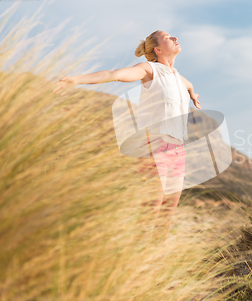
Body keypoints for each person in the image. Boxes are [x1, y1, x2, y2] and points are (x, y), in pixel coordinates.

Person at [52, 30, 201, 243]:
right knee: (151, 207)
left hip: (178, 150)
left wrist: (193, 96)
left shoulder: (180, 77)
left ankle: (156, 259)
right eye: (168, 37)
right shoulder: (149, 70)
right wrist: (76, 80)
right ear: (158, 49)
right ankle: (137, 255)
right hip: (155, 146)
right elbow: (115, 74)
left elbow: (189, 86)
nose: (175, 37)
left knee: (169, 209)